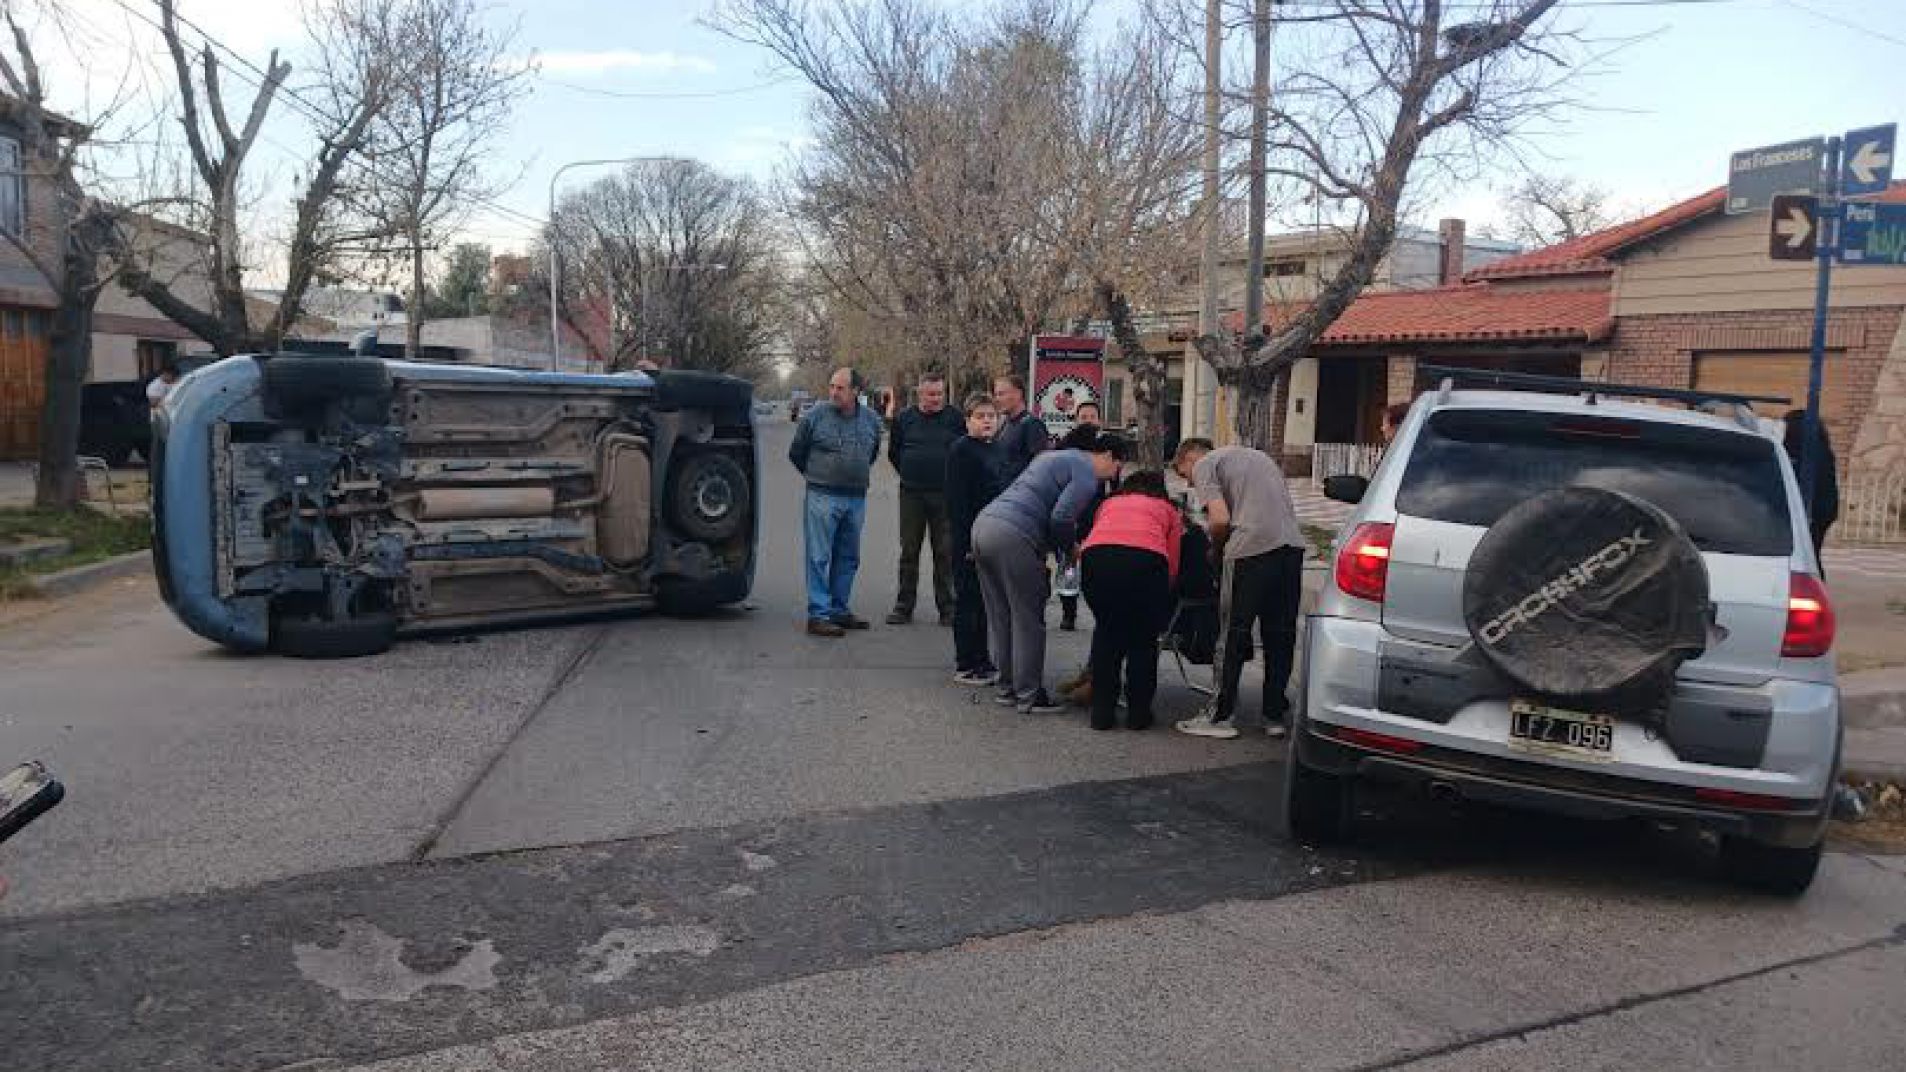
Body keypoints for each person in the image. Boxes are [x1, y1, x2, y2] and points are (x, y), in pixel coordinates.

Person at [973, 428, 1128, 714]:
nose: (1114, 474)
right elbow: (1061, 517)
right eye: (1117, 466)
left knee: (1001, 616)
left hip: (985, 525)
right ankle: (1030, 695)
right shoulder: (1086, 475)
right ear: (1107, 455)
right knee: (1028, 619)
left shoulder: (1053, 458)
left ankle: (1008, 688)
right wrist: (1070, 550)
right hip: (1014, 534)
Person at [1170, 438, 1307, 740]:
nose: (1192, 486)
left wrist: (1216, 551)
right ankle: (1273, 715)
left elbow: (1220, 519)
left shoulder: (1207, 464)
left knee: (1232, 633)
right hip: (1291, 548)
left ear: (1190, 458)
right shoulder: (1260, 457)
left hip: (1249, 551)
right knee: (1280, 635)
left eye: (1184, 476)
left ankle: (1220, 715)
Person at [1080, 470, 1183, 731]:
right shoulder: (1168, 510)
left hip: (1096, 560)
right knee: (1142, 641)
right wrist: (1160, 597)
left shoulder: (1109, 503)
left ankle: (1101, 713)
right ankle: (1138, 714)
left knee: (1107, 633)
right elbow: (1172, 563)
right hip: (1146, 563)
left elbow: (1097, 534)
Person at [789, 367, 884, 637]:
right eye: (831, 386)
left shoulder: (871, 420)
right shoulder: (815, 416)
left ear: (856, 391)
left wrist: (853, 473)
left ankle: (839, 610)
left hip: (855, 498)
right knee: (819, 556)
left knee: (848, 557)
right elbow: (797, 452)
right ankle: (818, 614)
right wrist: (818, 476)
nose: (834, 392)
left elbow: (873, 452)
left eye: (840, 388)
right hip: (822, 496)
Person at [887, 374, 966, 625]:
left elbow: (963, 451)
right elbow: (894, 453)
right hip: (912, 494)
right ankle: (903, 606)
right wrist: (911, 472)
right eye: (930, 394)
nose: (935, 399)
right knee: (909, 551)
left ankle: (948, 608)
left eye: (939, 394)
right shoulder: (905, 419)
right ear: (919, 394)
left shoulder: (955, 419)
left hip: (945, 495)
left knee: (944, 552)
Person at [946, 393, 1006, 685]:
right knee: (968, 602)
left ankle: (983, 659)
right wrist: (967, 542)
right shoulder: (961, 450)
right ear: (968, 420)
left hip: (991, 536)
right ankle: (966, 663)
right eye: (980, 416)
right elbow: (958, 502)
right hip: (969, 540)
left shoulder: (994, 449)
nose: (987, 421)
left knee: (985, 604)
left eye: (991, 416)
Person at [1057, 401, 1102, 632]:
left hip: (1096, 515)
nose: (1088, 421)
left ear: (1099, 420)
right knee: (1069, 564)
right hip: (1071, 513)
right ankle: (1069, 612)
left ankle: (1100, 613)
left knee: (1095, 566)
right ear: (1076, 420)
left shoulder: (1105, 448)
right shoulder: (1066, 446)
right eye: (1083, 417)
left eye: (1092, 416)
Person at [1784, 409, 1840, 564]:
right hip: (1823, 509)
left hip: (1815, 510)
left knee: (1807, 557)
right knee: (1811, 554)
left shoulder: (1805, 450)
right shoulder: (1821, 447)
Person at [992, 374, 1049, 481]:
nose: (997, 399)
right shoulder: (1004, 424)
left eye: (1001, 394)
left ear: (1018, 394)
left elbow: (1041, 465)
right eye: (996, 395)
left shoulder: (1032, 424)